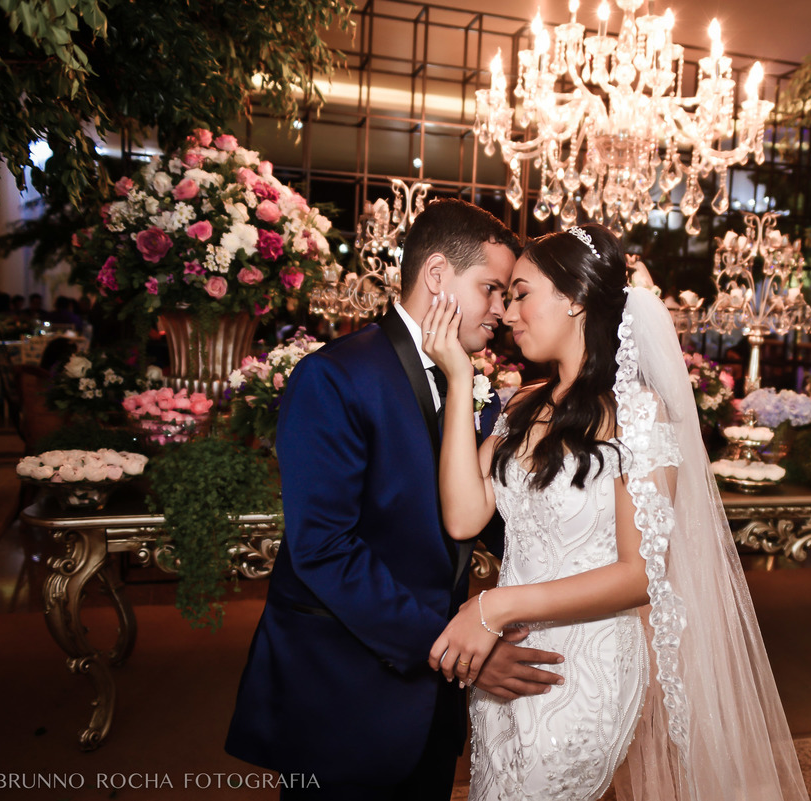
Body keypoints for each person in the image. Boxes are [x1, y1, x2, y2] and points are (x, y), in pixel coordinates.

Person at [421, 223, 809, 801]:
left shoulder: (639, 415)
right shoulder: (523, 403)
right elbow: (462, 516)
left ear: (575, 298)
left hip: (586, 667)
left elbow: (642, 573)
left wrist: (494, 605)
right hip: (506, 664)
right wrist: (459, 379)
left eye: (521, 294)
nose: (507, 313)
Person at [224, 199, 565, 801]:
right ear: (436, 275)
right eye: (490, 288)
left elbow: (491, 517)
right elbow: (324, 549)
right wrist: (456, 651)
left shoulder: (477, 384)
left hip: (433, 704)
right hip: (345, 689)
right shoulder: (335, 377)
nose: (501, 309)